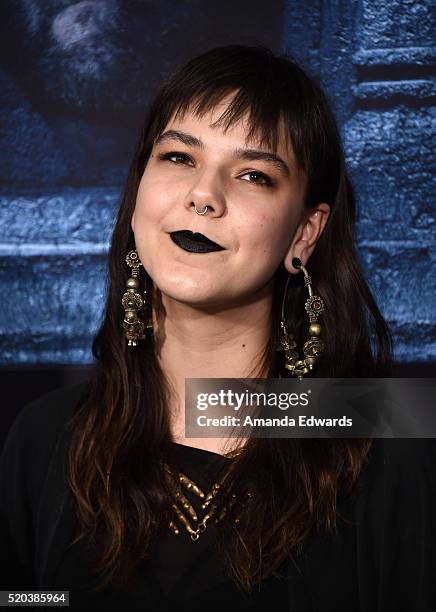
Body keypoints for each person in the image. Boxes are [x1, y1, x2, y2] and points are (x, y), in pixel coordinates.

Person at [0, 44, 435, 611]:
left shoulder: (390, 437)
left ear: (305, 231)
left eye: (254, 174)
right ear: (137, 194)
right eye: (179, 157)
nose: (204, 196)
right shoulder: (47, 436)